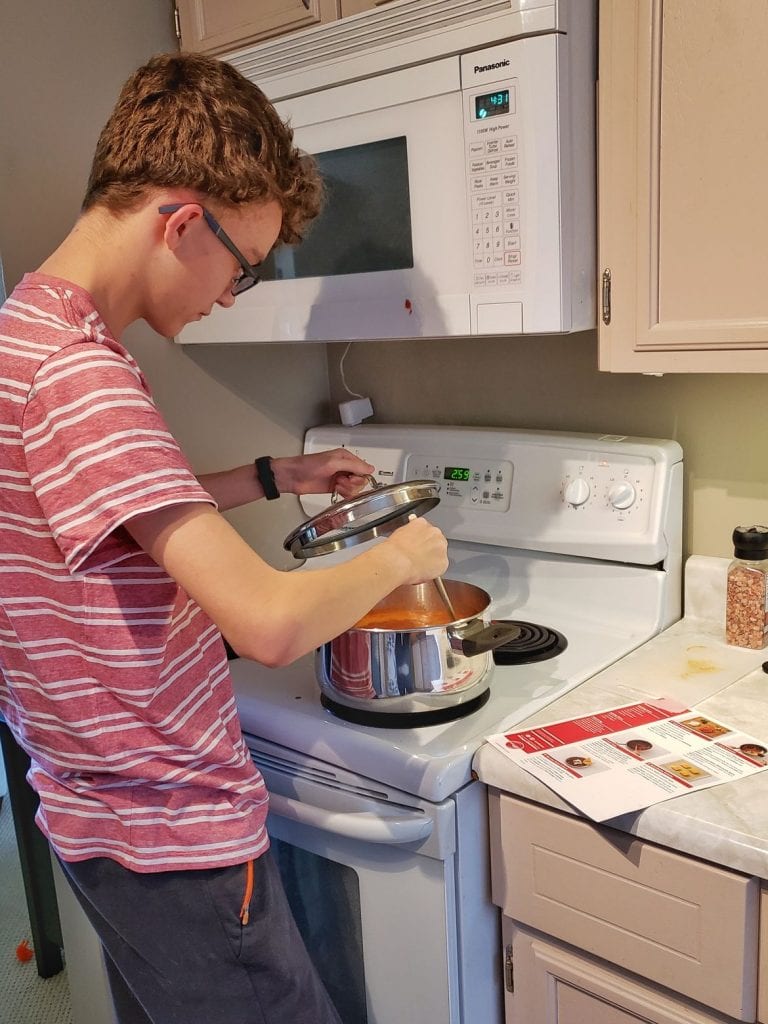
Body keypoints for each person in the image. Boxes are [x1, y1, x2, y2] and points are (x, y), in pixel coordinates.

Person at [0, 51, 448, 1024]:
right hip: (175, 835)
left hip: (99, 823)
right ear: (178, 220)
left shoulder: (26, 337)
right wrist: (404, 552)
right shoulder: (83, 378)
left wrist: (272, 478)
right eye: (242, 264)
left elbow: (105, 512)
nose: (231, 295)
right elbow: (273, 625)